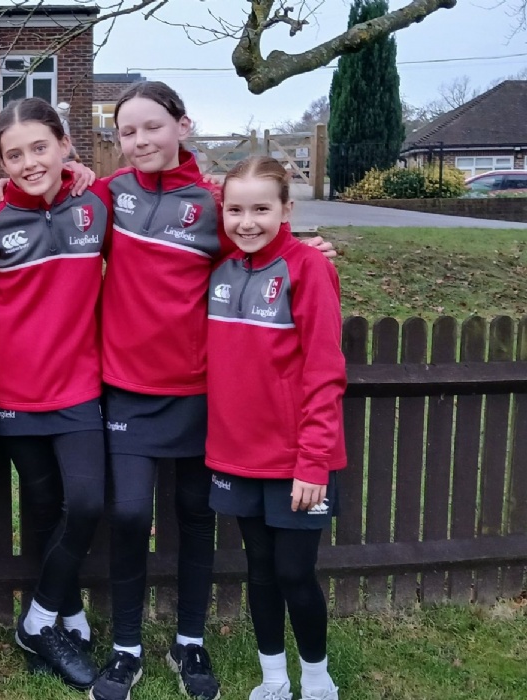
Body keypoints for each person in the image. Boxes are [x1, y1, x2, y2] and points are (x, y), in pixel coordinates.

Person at [92, 81, 334, 700]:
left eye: (153, 126)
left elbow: (264, 249)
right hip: (125, 387)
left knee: (196, 517)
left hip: (198, 395)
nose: (141, 140)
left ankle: (190, 642)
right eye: (128, 131)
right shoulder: (109, 192)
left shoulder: (214, 205)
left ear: (183, 125)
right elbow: (50, 192)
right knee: (126, 515)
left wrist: (310, 252)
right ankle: (125, 648)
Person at [0, 97, 110, 692]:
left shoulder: (97, 202)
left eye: (39, 147)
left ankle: (37, 621)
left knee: (86, 504)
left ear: (64, 145)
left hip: (79, 383)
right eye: (14, 154)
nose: (29, 162)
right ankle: (66, 615)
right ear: (0, 163)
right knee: (47, 507)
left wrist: (301, 246)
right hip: (13, 388)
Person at [206, 155, 345, 700]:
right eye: (235, 209)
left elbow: (324, 370)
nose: (247, 222)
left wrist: (312, 461)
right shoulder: (221, 265)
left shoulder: (308, 268)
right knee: (259, 573)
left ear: (287, 210)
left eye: (261, 209)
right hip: (236, 456)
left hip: (298, 462)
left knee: (294, 574)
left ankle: (316, 679)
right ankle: (273, 681)